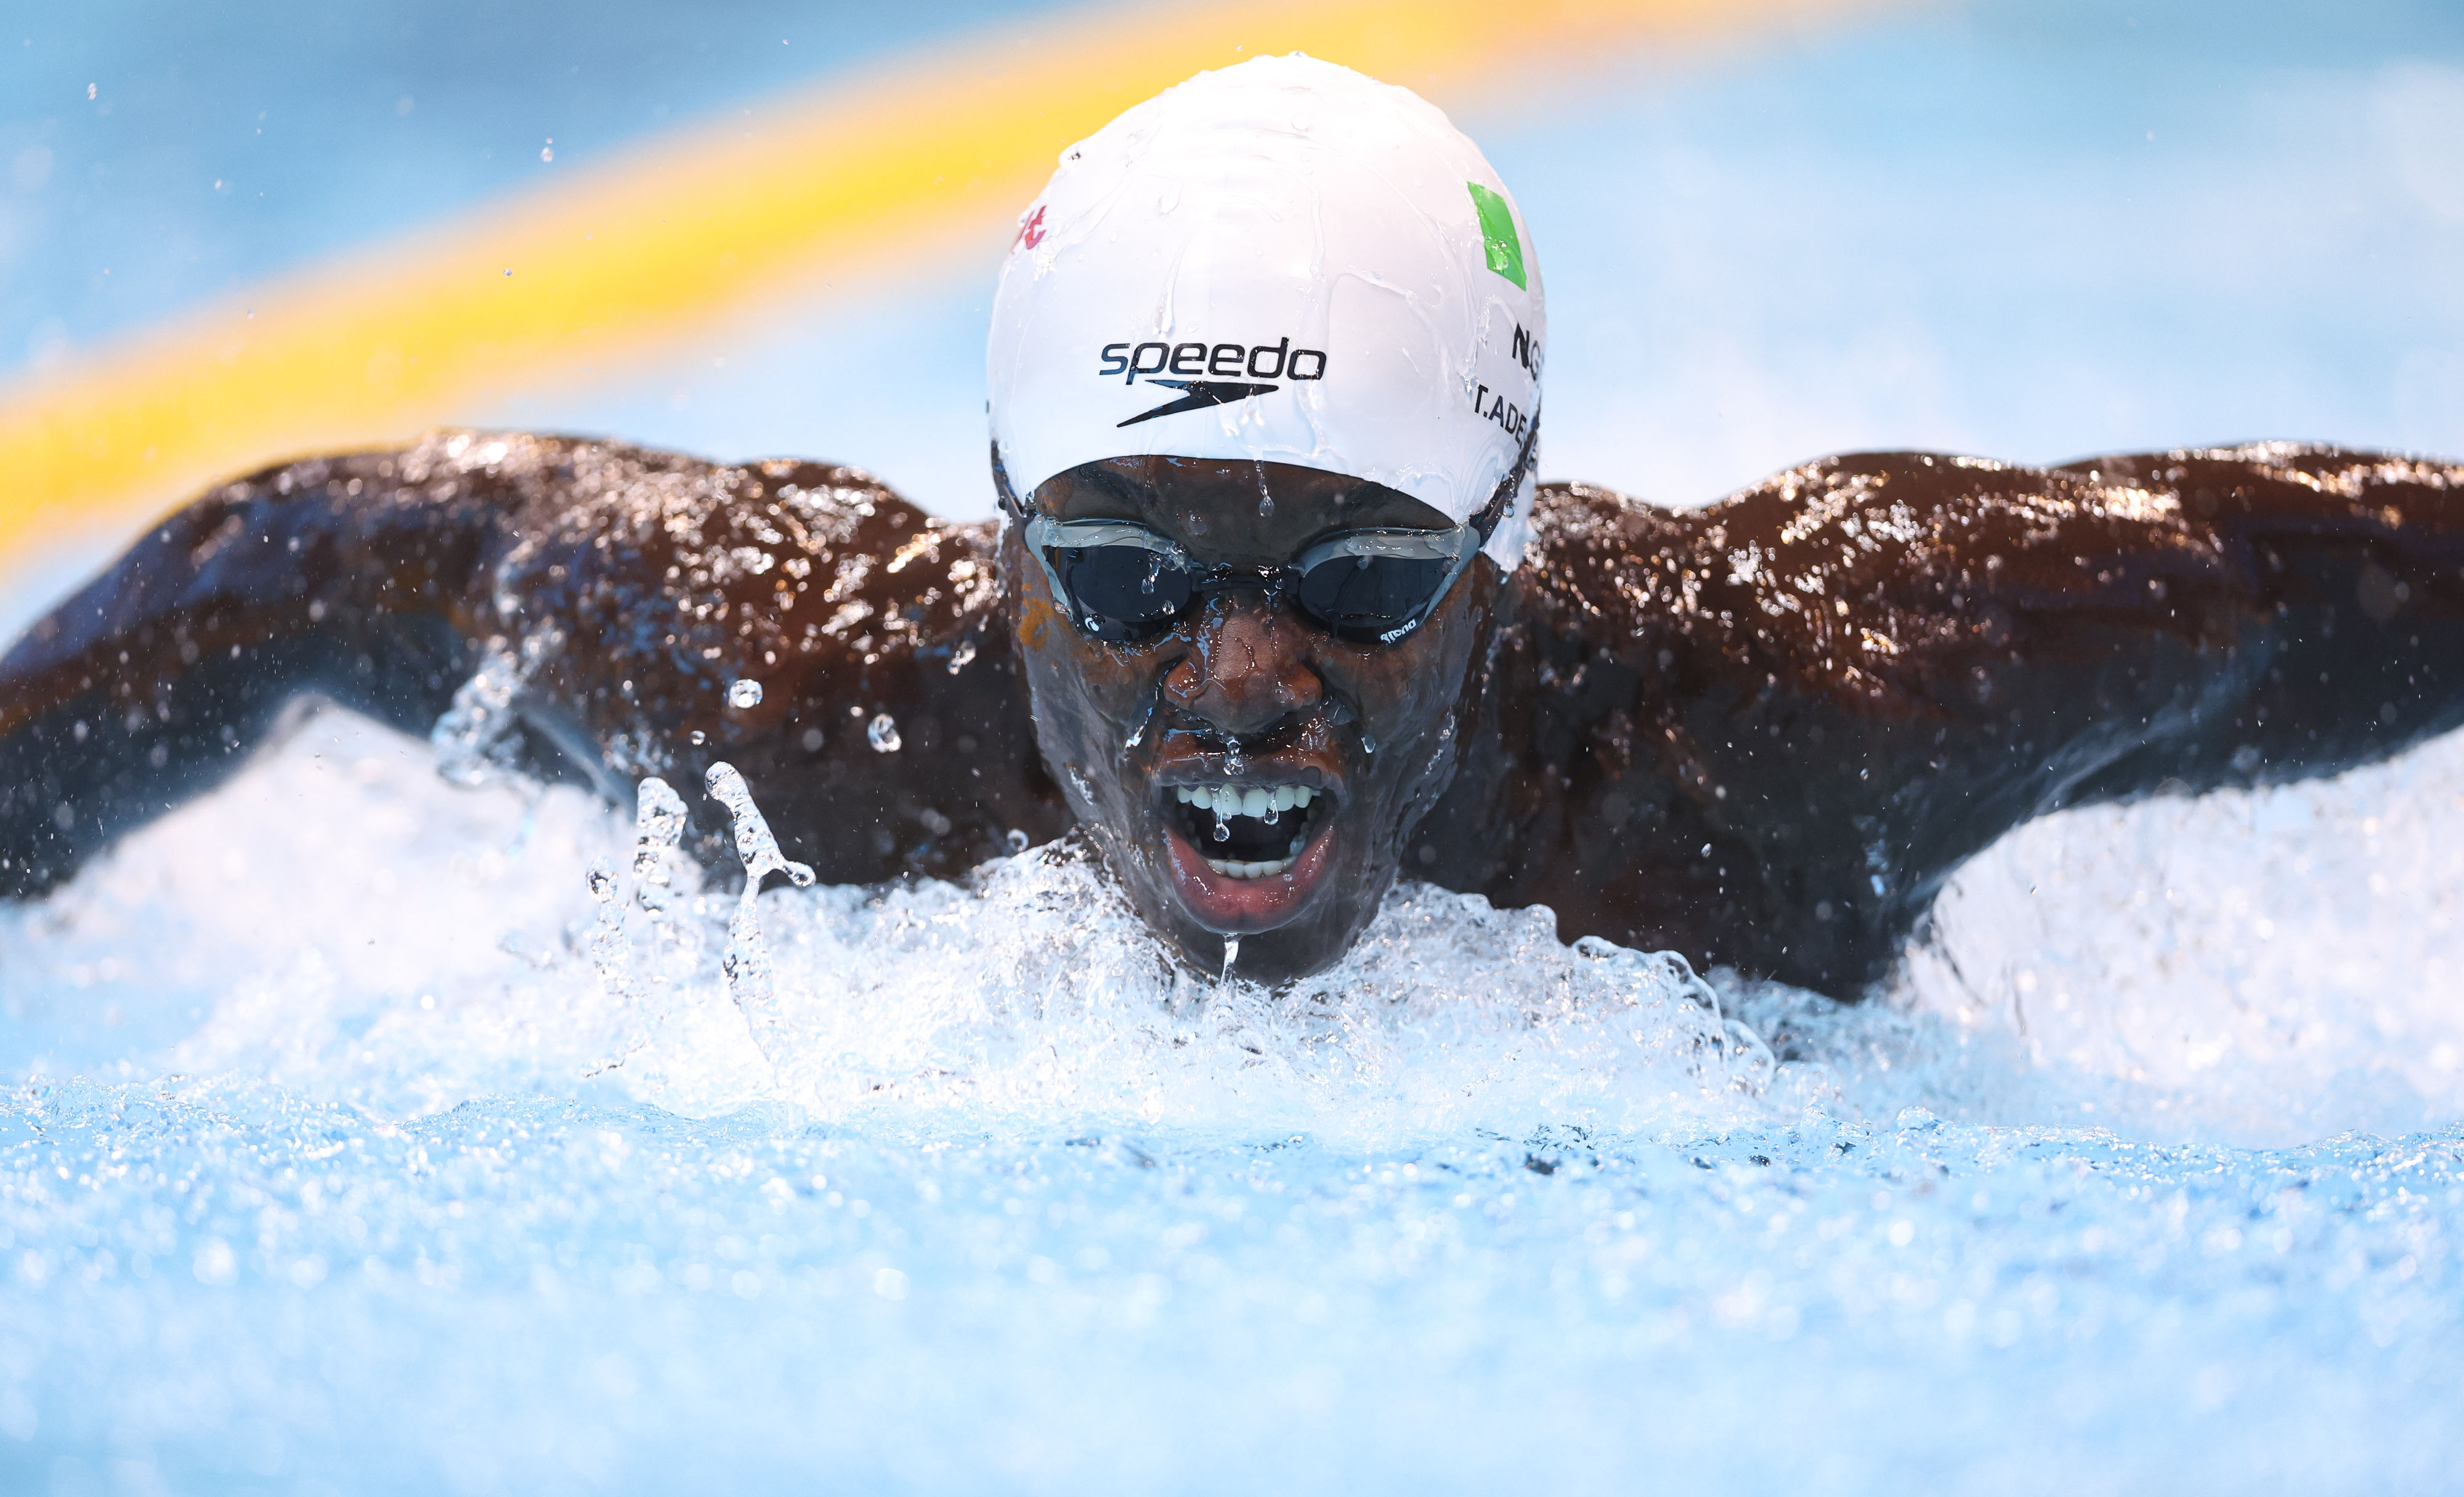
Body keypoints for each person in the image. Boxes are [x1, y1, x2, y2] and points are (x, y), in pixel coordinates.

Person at [0, 56, 2457, 998]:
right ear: (999, 550)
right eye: (1130, 577)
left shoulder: (1782, 717)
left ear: (1501, 552)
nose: (1241, 675)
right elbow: (307, 557)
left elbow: (2324, 581)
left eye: (1360, 576)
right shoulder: (826, 704)